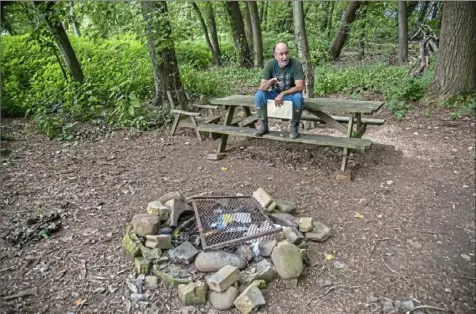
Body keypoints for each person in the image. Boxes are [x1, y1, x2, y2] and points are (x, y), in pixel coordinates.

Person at [254, 42, 305, 139]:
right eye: (281, 54)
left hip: (291, 94)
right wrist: (271, 81)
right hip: (274, 94)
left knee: (298, 97)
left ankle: (294, 128)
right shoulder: (270, 64)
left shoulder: (295, 63)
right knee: (259, 95)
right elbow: (262, 88)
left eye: (286, 53)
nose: (285, 57)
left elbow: (300, 87)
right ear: (275, 55)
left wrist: (283, 93)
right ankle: (263, 125)